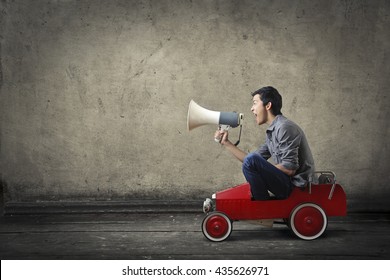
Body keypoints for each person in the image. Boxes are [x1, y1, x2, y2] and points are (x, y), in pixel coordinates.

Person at [214, 86, 315, 200]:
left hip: (297, 187)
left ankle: (261, 206)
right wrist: (226, 143)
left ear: (268, 105)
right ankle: (261, 204)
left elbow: (289, 168)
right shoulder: (273, 131)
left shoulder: (285, 127)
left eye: (255, 103)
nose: (252, 109)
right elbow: (249, 160)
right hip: (287, 183)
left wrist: (262, 169)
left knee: (251, 160)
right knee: (251, 160)